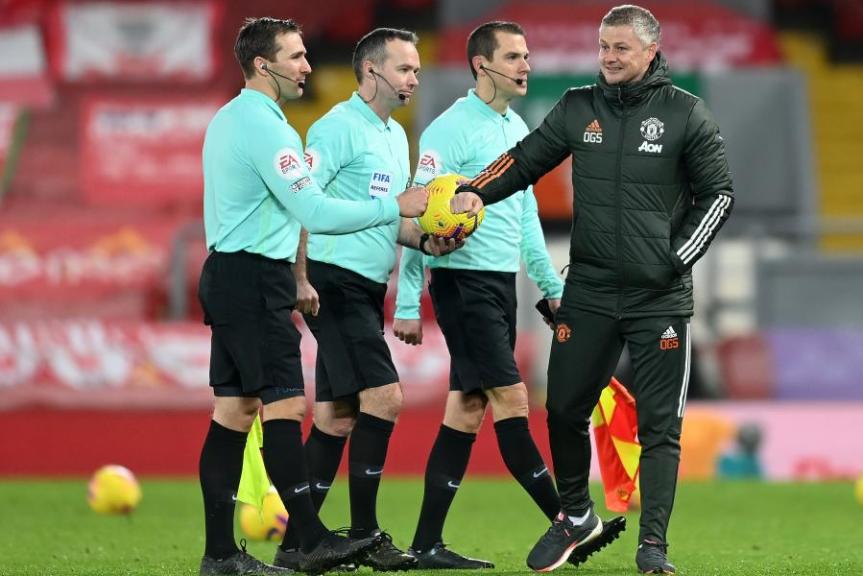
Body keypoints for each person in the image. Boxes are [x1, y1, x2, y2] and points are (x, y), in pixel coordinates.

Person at [451, 5, 735, 574]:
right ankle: (577, 515)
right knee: (562, 409)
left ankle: (652, 547)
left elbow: (720, 195)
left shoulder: (686, 114)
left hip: (660, 300)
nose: (607, 57)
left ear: (651, 52)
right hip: (591, 291)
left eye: (620, 48)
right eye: (604, 46)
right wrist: (474, 191)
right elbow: (524, 161)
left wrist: (673, 260)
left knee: (661, 428)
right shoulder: (578, 106)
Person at [197, 17, 430, 576]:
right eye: (297, 57)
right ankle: (308, 537)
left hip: (237, 273)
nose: (308, 66)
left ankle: (221, 554)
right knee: (286, 405)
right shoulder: (268, 128)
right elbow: (316, 212)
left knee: (234, 411)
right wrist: (393, 205)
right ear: (262, 64)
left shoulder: (234, 118)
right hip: (253, 279)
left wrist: (300, 275)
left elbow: (288, 212)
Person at [391, 21, 626, 570]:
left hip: (499, 283)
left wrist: (550, 287)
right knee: (512, 400)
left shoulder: (517, 126)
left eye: (527, 55)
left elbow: (524, 222)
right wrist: (406, 301)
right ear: (481, 64)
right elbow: (419, 213)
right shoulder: (447, 132)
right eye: (515, 56)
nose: (526, 65)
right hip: (462, 283)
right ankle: (570, 521)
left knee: (467, 409)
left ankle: (426, 544)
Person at [274, 28, 459, 572]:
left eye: (417, 70)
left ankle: (295, 549)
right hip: (333, 281)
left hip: (365, 285)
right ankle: (367, 535)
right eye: (405, 69)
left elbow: (386, 218)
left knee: (335, 417)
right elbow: (301, 202)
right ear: (373, 72)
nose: (414, 78)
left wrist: (426, 240)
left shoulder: (394, 135)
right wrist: (300, 277)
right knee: (385, 398)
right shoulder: (336, 128)